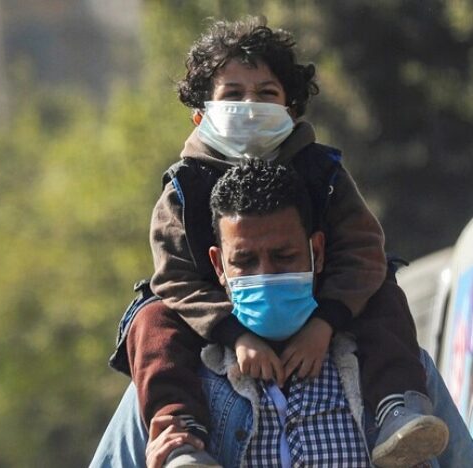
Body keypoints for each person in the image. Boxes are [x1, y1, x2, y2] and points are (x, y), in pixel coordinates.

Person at [115, 16, 448, 468]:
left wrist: (325, 323)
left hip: (321, 305)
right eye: (233, 95)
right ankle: (180, 434)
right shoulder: (183, 187)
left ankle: (397, 409)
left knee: (385, 291)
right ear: (201, 113)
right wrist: (233, 334)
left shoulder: (323, 172)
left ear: (291, 109)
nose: (250, 105)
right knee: (151, 318)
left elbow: (364, 252)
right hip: (215, 317)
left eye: (266, 93)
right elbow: (174, 277)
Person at [92, 162, 473, 468]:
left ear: (316, 252)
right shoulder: (175, 384)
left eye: (284, 256)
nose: (266, 274)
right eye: (245, 261)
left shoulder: (392, 373)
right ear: (219, 266)